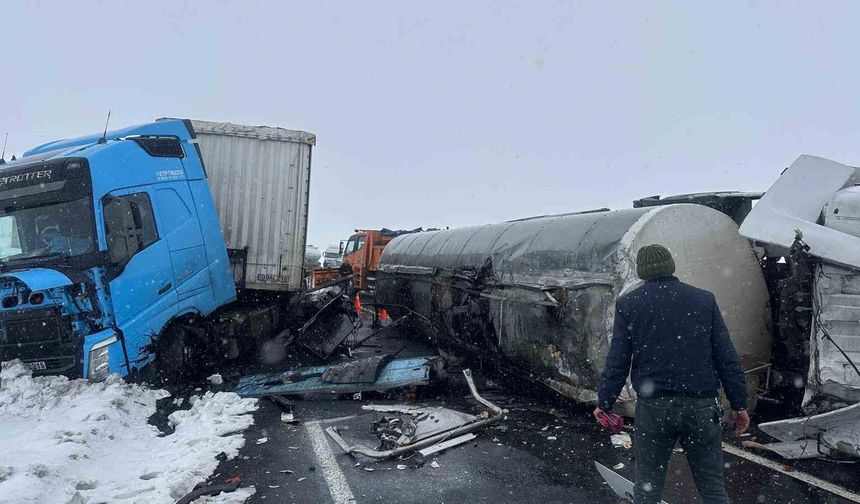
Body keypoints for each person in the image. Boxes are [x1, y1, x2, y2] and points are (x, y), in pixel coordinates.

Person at [594, 244, 750, 504]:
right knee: (712, 487)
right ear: (671, 266)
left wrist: (605, 401)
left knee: (648, 487)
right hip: (700, 406)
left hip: (654, 408)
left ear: (642, 272)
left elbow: (618, 360)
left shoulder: (630, 304)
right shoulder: (703, 299)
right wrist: (739, 403)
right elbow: (727, 358)